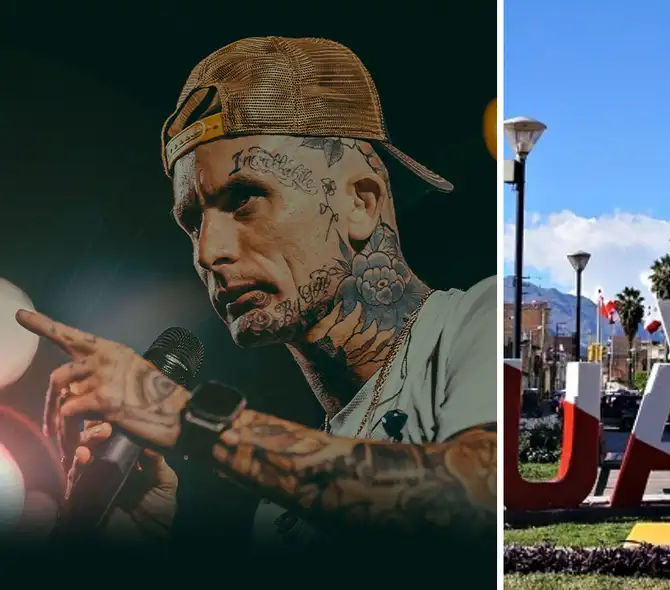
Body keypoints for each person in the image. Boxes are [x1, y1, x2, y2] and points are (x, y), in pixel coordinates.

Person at [16, 37, 496, 560]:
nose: (209, 252)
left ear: (360, 202)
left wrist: (189, 421)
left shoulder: (481, 321)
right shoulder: (280, 514)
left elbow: (478, 502)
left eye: (244, 198)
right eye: (193, 222)